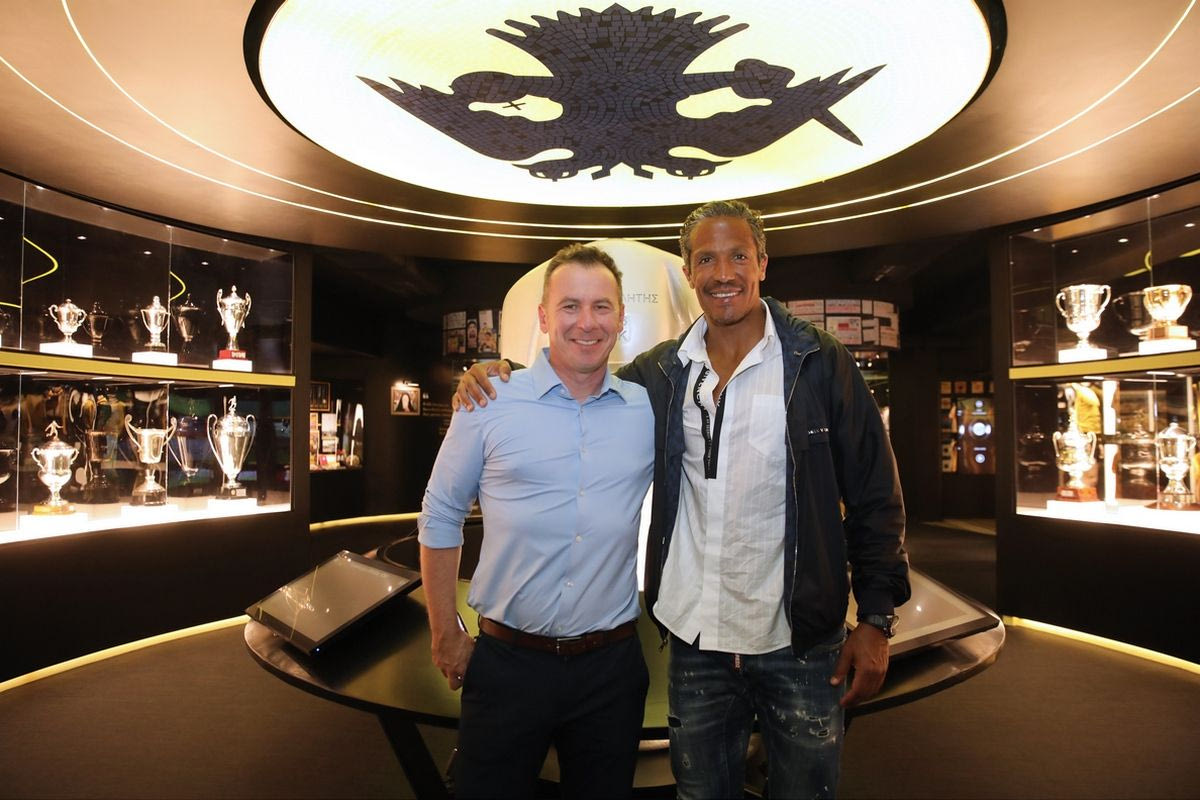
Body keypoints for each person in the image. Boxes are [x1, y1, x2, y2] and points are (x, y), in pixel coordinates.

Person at [455, 200, 909, 799]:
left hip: (798, 644)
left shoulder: (820, 363)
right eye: (706, 259)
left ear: (762, 263)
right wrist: (505, 372)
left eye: (738, 255)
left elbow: (876, 495)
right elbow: (583, 377)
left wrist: (876, 619)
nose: (723, 273)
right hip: (698, 648)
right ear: (688, 271)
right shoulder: (663, 372)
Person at [418, 243, 654, 799]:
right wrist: (444, 631)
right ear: (545, 317)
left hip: (611, 672)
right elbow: (442, 512)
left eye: (601, 306)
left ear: (621, 318)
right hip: (507, 666)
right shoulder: (490, 398)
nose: (586, 322)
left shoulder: (647, 409)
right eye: (570, 306)